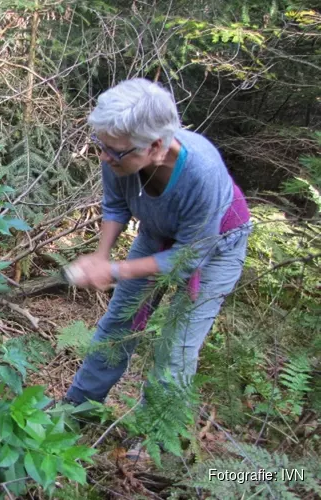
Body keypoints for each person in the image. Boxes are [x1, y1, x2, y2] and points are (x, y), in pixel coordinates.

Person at [62, 78, 252, 409]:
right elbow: (116, 205)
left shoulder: (201, 173)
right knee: (119, 322)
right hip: (156, 233)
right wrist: (100, 256)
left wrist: (117, 269)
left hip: (216, 246)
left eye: (114, 151)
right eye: (100, 145)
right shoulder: (118, 153)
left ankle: (153, 429)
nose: (105, 157)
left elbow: (189, 257)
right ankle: (78, 408)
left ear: (156, 146)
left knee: (176, 345)